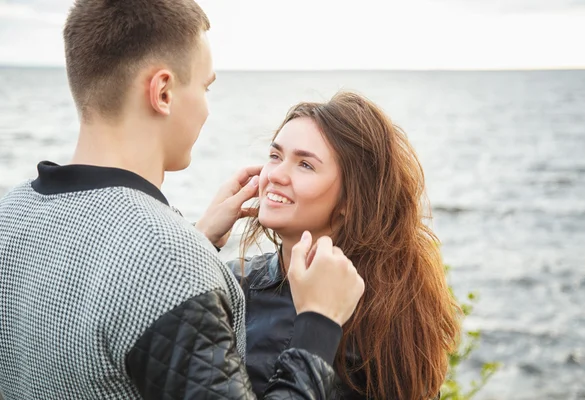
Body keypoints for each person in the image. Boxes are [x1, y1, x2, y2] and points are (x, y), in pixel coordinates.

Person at [0, 1, 365, 399]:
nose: (207, 106)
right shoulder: (170, 258)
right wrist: (318, 326)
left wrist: (197, 241)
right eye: (205, 87)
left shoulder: (12, 212)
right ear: (163, 92)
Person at [229, 91, 462, 399]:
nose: (275, 175)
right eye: (275, 156)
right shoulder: (233, 282)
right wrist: (200, 239)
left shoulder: (391, 310)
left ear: (350, 201)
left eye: (305, 165)